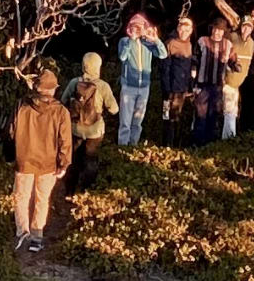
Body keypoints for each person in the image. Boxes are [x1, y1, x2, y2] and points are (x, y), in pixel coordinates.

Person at [8, 66, 72, 253]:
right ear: (53, 89)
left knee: (21, 197)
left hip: (24, 159)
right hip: (48, 163)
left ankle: (22, 232)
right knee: (42, 199)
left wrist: (10, 157)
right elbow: (65, 140)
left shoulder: (21, 105)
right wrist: (64, 163)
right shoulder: (61, 111)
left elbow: (10, 133)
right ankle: (37, 236)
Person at [63, 50, 117, 188]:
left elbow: (63, 101)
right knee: (91, 159)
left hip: (76, 128)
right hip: (95, 130)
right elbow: (114, 109)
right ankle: (87, 188)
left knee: (74, 158)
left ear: (83, 65)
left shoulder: (74, 82)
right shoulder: (103, 86)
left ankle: (70, 188)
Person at [115, 10, 161, 149]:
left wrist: (156, 40)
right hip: (129, 86)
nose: (136, 29)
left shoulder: (148, 43)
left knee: (138, 121)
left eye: (139, 27)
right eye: (133, 26)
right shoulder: (124, 41)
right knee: (125, 121)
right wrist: (131, 40)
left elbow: (163, 54)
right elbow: (122, 57)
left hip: (144, 87)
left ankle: (133, 146)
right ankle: (122, 147)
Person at [218, 12, 254, 142]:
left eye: (249, 27)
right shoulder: (232, 37)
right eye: (244, 26)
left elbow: (248, 63)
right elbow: (223, 57)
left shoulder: (251, 43)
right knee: (229, 112)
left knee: (233, 111)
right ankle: (229, 139)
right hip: (227, 82)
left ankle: (227, 139)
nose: (246, 29)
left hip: (238, 84)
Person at [160, 18, 197, 140]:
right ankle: (166, 145)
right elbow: (164, 67)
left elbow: (190, 65)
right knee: (167, 118)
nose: (184, 32)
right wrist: (167, 89)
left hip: (182, 89)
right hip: (170, 89)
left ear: (191, 31)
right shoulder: (170, 43)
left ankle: (175, 145)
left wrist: (190, 85)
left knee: (176, 118)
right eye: (182, 29)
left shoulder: (189, 44)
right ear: (178, 28)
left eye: (187, 30)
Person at [193, 17, 228, 144]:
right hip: (202, 84)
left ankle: (210, 145)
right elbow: (194, 59)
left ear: (224, 32)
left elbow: (234, 60)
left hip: (217, 86)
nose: (217, 32)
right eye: (215, 29)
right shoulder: (202, 41)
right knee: (200, 115)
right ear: (211, 29)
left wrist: (235, 65)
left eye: (220, 30)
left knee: (214, 115)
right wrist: (193, 78)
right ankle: (197, 144)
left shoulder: (227, 44)